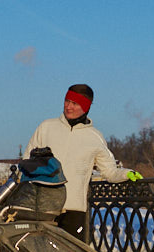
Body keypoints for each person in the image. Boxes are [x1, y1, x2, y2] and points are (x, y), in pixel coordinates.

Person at [25, 84, 141, 242]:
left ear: (85, 107)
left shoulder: (94, 137)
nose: (68, 106)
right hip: (42, 207)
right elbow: (26, 162)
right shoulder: (46, 127)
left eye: (75, 103)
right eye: (67, 101)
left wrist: (126, 173)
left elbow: (109, 171)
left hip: (74, 210)